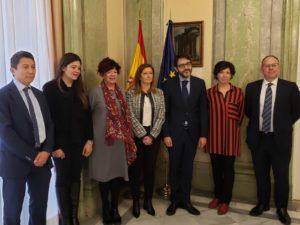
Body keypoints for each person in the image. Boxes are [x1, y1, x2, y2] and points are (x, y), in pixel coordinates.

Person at [0, 51, 54, 225]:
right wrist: (32, 155)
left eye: (33, 67)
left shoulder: (39, 94)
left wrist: (46, 151)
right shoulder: (3, 96)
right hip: (15, 162)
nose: (31, 71)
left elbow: (49, 125)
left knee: (39, 209)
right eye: (25, 67)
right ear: (12, 70)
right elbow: (5, 133)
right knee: (12, 212)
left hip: (42, 161)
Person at [245, 55, 300, 225]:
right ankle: (263, 203)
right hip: (258, 139)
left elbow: (297, 111)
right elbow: (248, 111)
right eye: (267, 66)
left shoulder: (290, 87)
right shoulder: (252, 87)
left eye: (273, 65)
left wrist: (281, 125)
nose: (270, 68)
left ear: (279, 67)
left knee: (281, 175)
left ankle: (281, 208)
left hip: (280, 140)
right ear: (262, 68)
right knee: (261, 174)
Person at [43, 53, 93, 225]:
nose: (77, 71)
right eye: (73, 67)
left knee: (75, 178)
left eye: (79, 68)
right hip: (60, 146)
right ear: (63, 67)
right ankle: (65, 219)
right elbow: (48, 120)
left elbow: (88, 118)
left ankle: (74, 217)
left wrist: (89, 140)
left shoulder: (80, 89)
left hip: (79, 143)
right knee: (63, 179)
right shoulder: (49, 88)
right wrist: (54, 146)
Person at [88, 57, 137, 224]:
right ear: (102, 74)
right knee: (104, 177)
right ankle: (105, 209)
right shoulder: (95, 92)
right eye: (109, 72)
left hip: (119, 142)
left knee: (116, 177)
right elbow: (89, 117)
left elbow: (126, 116)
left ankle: (115, 208)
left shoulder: (121, 91)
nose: (112, 74)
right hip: (102, 142)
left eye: (115, 71)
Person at [163, 54, 208, 216]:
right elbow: (164, 113)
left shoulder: (199, 84)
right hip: (174, 135)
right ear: (176, 69)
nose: (186, 67)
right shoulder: (168, 85)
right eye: (182, 65)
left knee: (188, 168)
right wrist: (166, 134)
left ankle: (186, 200)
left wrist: (203, 135)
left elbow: (204, 110)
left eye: (188, 64)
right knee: (174, 167)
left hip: (192, 135)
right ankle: (175, 200)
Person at [126, 64, 165, 218]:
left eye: (150, 73)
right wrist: (142, 135)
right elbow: (129, 115)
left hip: (153, 137)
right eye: (145, 73)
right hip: (136, 137)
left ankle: (148, 201)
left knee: (150, 170)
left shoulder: (159, 93)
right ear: (139, 76)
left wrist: (152, 135)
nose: (148, 76)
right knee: (135, 170)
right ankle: (136, 201)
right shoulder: (130, 93)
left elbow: (162, 115)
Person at [205, 61, 244, 215]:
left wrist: (231, 128)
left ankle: (225, 201)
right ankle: (217, 196)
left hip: (230, 139)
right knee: (216, 169)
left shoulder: (238, 92)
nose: (224, 75)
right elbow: (205, 115)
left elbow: (240, 116)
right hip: (213, 138)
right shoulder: (209, 93)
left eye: (227, 72)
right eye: (221, 72)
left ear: (231, 75)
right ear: (216, 75)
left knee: (228, 170)